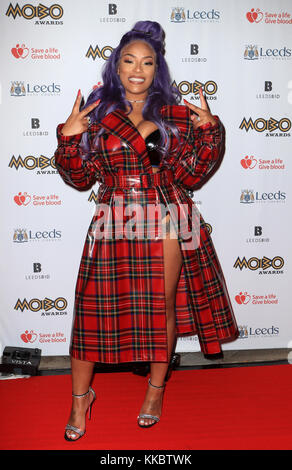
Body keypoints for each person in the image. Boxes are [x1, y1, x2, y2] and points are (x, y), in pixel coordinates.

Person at [54, 20, 239, 441]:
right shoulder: (97, 115)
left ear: (158, 68)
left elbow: (192, 175)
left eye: (147, 62)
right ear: (116, 67)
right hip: (113, 215)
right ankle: (80, 398)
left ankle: (155, 390)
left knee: (163, 306)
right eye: (129, 61)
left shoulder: (176, 114)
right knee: (89, 312)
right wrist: (69, 139)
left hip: (165, 213)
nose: (138, 69)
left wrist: (209, 129)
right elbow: (82, 179)